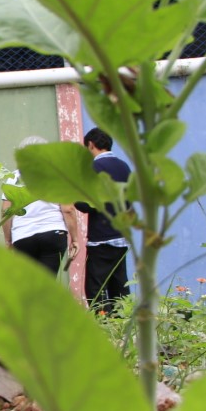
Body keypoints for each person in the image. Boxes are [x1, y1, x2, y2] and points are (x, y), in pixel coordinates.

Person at [2, 136, 81, 275]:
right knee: (47, 283)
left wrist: (8, 240)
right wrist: (75, 239)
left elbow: (6, 212)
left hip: (23, 236)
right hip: (53, 233)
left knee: (29, 284)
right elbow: (68, 209)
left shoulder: (13, 178)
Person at [75, 127, 132, 312]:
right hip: (121, 236)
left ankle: (104, 324)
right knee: (120, 285)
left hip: (100, 238)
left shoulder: (93, 168)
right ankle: (122, 325)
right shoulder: (124, 167)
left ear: (91, 145)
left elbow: (87, 204)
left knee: (95, 288)